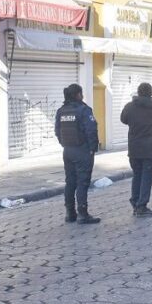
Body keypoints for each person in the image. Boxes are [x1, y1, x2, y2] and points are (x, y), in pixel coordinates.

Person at [120, 82, 152, 217]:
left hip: (135, 148)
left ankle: (135, 202)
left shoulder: (130, 106)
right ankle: (142, 206)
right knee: (147, 177)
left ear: (138, 92)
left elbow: (123, 119)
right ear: (151, 93)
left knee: (137, 175)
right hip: (151, 148)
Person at [54, 83, 101, 224]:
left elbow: (57, 131)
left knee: (70, 182)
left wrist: (65, 144)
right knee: (82, 182)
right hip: (82, 151)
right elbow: (91, 130)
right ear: (78, 95)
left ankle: (70, 213)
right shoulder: (84, 110)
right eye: (81, 93)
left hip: (68, 151)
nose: (83, 96)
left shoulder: (61, 111)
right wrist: (93, 148)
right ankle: (83, 213)